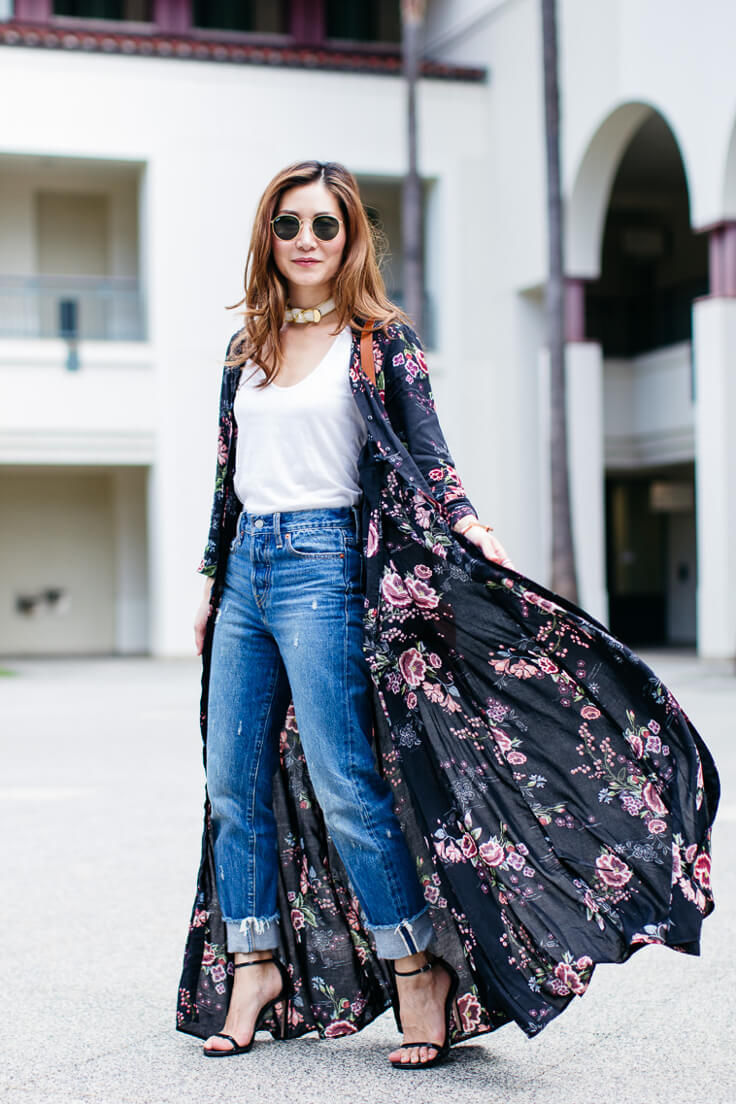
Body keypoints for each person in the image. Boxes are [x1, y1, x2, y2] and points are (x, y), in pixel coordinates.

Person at [179, 159, 719, 1069]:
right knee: (233, 789)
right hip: (246, 575)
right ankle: (255, 965)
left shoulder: (379, 341)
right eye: (289, 225)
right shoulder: (248, 350)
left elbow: (430, 454)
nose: (306, 241)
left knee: (348, 784)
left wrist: (471, 529)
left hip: (323, 567)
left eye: (325, 226)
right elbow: (228, 481)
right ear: (266, 239)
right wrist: (207, 581)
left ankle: (415, 967)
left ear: (351, 239)